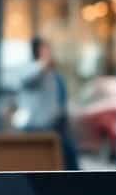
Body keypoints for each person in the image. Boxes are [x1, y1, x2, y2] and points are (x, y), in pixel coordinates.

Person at [17, 36, 79, 170]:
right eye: (46, 48)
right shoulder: (31, 69)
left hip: (56, 127)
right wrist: (43, 64)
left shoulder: (54, 74)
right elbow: (26, 79)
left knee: (69, 161)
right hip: (36, 130)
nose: (50, 51)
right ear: (38, 50)